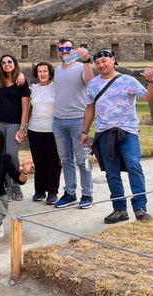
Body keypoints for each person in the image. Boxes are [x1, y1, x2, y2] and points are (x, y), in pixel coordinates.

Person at [82, 50, 153, 223]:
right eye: (98, 62)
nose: (101, 65)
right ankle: (119, 209)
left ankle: (140, 207)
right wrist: (85, 132)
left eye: (104, 60)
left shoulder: (128, 81)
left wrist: (151, 81)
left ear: (113, 60)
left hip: (127, 132)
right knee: (111, 172)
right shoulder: (93, 84)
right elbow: (90, 108)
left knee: (134, 166)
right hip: (104, 133)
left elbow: (150, 98)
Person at [52, 38, 95, 210]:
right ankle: (70, 193)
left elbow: (91, 83)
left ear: (74, 50)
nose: (65, 51)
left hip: (78, 119)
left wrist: (86, 61)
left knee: (83, 159)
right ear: (58, 51)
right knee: (66, 160)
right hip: (58, 120)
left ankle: (87, 193)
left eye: (68, 48)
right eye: (61, 48)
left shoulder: (80, 67)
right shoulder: (57, 70)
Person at [18, 62, 60, 205]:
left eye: (45, 71)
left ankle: (52, 191)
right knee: (39, 162)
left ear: (50, 73)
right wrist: (23, 127)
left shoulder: (56, 88)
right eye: (40, 71)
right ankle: (39, 190)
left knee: (53, 162)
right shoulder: (33, 89)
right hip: (35, 129)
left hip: (52, 129)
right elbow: (29, 109)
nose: (42, 74)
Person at [0, 54, 30, 201]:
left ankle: (16, 183)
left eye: (10, 61)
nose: (7, 64)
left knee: (12, 154)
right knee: (1, 155)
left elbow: (25, 107)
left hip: (14, 123)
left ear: (15, 63)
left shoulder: (21, 81)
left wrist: (22, 127)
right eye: (3, 62)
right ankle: (8, 185)